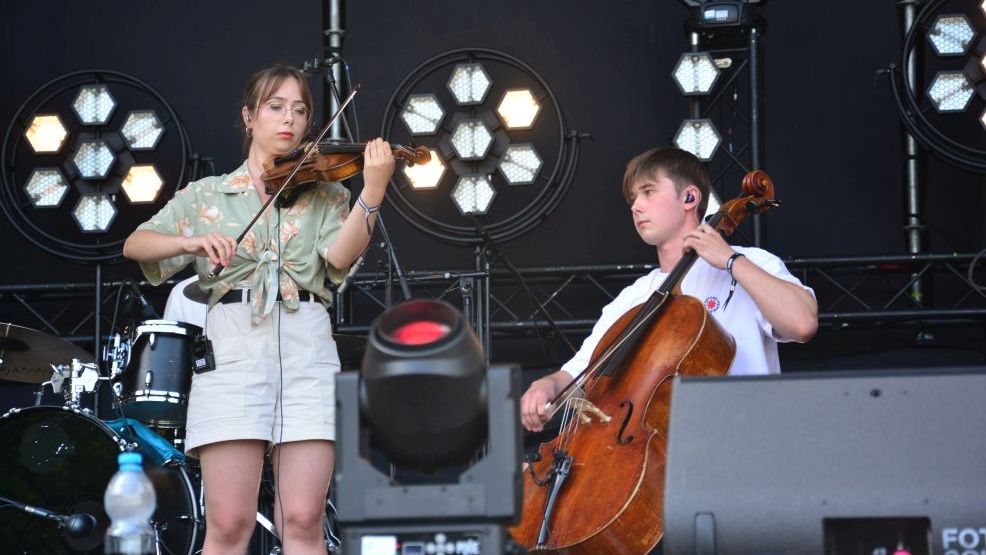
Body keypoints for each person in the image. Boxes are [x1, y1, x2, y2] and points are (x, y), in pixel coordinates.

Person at [123, 64, 394, 555]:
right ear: (249, 116)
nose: (288, 119)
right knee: (228, 522)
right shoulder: (208, 195)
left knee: (305, 518)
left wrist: (371, 193)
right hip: (231, 348)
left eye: (299, 109)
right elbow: (135, 245)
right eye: (275, 107)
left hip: (306, 343)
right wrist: (192, 240)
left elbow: (337, 257)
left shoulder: (327, 193)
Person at [520, 146, 818, 433]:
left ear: (689, 197)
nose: (636, 206)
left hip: (749, 445)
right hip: (664, 461)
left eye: (648, 192)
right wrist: (545, 387)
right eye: (633, 199)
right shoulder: (634, 298)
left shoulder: (750, 263)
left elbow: (802, 324)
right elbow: (578, 374)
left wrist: (729, 259)